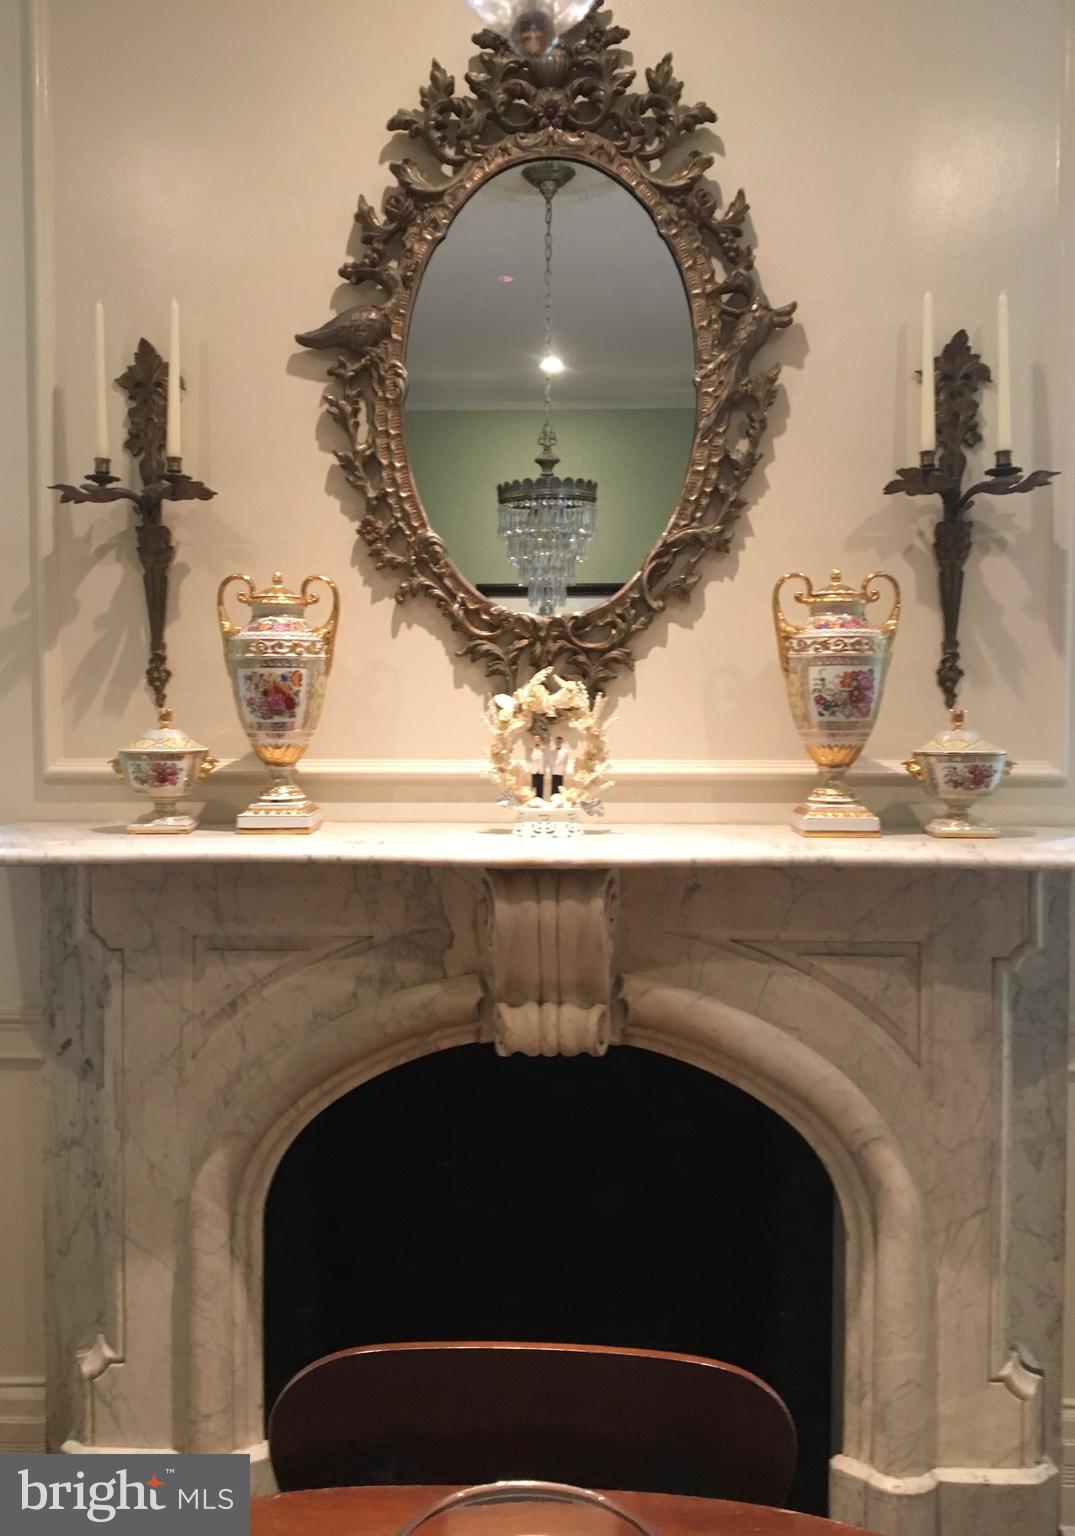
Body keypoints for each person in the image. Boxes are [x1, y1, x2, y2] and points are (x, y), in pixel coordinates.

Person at [528, 735, 548, 800]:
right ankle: (533, 799)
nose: (537, 740)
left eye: (538, 739)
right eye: (535, 739)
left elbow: (545, 760)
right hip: (534, 770)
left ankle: (540, 800)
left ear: (540, 740)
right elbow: (529, 760)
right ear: (534, 740)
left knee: (540, 786)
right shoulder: (530, 749)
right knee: (534, 786)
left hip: (541, 770)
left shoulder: (543, 749)